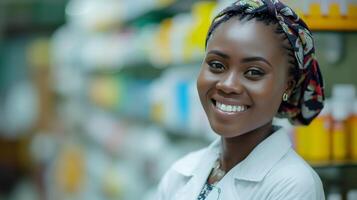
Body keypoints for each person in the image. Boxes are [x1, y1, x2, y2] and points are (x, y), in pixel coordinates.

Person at [157, 0, 325, 199]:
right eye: (217, 65)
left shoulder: (294, 185)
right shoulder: (180, 172)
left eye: (254, 72)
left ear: (288, 85)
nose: (228, 85)